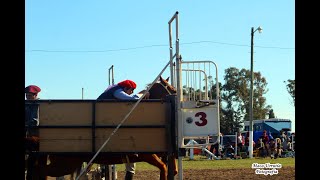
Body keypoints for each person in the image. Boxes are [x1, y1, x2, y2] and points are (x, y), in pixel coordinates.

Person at [97, 80, 148, 180]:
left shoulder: (115, 90)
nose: (132, 92)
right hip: (104, 119)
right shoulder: (117, 91)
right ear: (126, 88)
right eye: (131, 90)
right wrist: (143, 93)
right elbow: (131, 99)